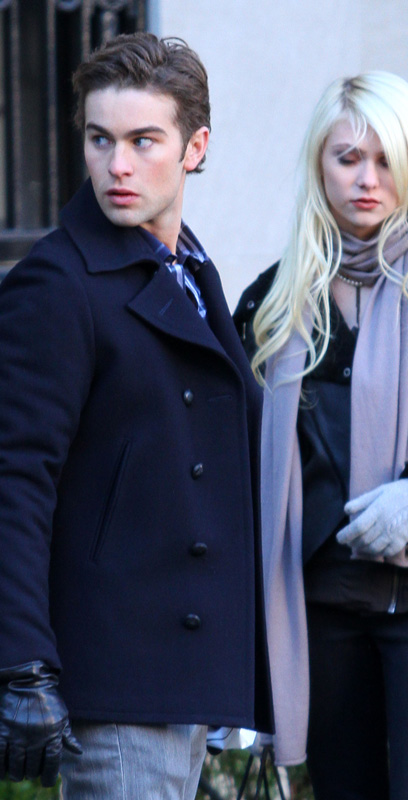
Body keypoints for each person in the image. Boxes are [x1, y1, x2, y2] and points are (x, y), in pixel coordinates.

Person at [0, 32, 272, 798]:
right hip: (112, 680)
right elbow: (14, 480)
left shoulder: (189, 267)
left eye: (142, 141)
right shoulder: (57, 283)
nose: (117, 165)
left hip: (181, 681)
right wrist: (23, 664)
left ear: (195, 148)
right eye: (100, 139)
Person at [234, 71, 408, 800]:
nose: (367, 179)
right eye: (348, 157)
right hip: (322, 607)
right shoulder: (271, 306)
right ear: (319, 164)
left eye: (387, 159)